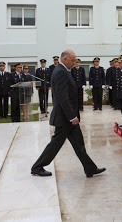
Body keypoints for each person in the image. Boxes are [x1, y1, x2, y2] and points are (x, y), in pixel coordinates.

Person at [31, 49, 106, 178]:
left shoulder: (64, 71)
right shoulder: (60, 72)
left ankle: (90, 168)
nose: (74, 62)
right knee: (55, 144)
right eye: (73, 60)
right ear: (64, 59)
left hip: (68, 117)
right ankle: (37, 167)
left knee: (79, 144)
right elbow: (63, 98)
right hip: (65, 118)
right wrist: (72, 117)